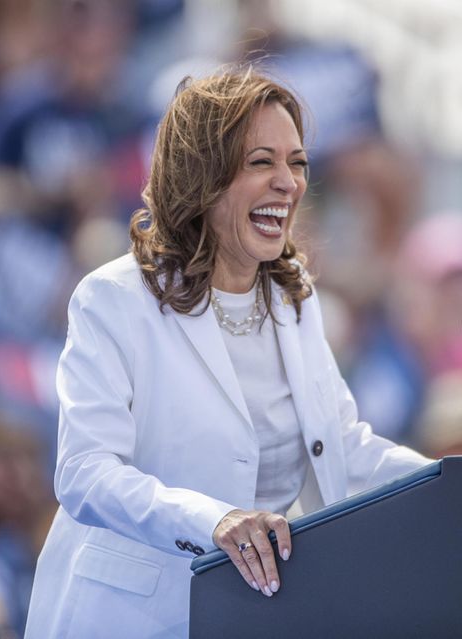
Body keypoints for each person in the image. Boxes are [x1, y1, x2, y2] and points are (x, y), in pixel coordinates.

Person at [23, 68, 431, 637]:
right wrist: (215, 521)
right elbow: (85, 473)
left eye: (298, 163)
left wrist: (452, 484)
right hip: (130, 619)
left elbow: (343, 449)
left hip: (253, 618)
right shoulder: (112, 299)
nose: (288, 182)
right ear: (201, 176)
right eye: (261, 162)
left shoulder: (297, 300)